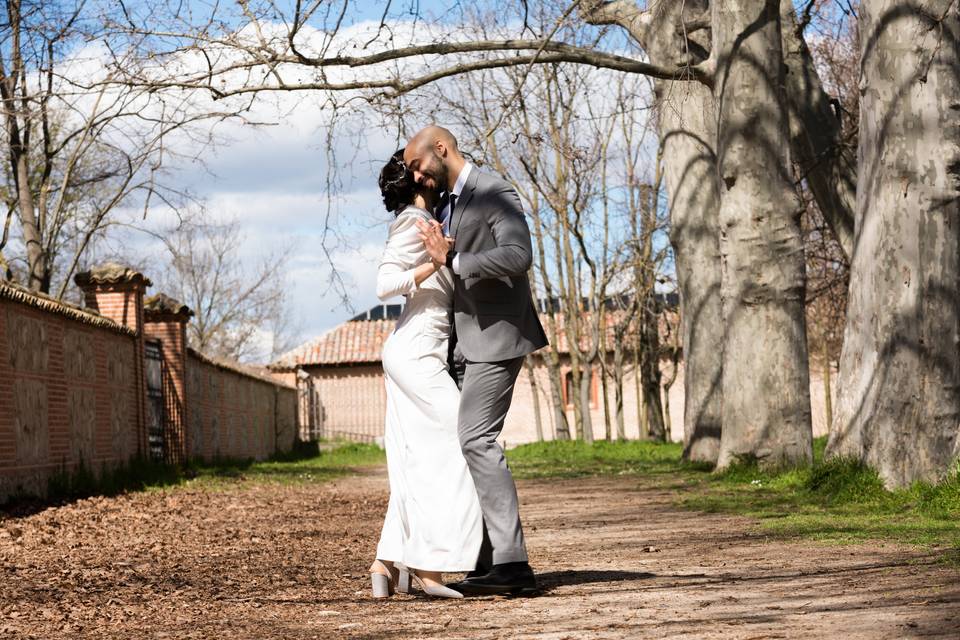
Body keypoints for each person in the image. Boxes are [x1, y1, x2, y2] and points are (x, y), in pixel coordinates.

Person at [405, 125, 548, 596]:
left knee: (476, 439)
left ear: (441, 150)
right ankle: (485, 559)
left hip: (497, 337)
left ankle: (513, 564)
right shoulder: (446, 202)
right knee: (465, 448)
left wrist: (456, 260)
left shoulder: (493, 191)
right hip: (463, 343)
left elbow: (518, 254)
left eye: (418, 165)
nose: (416, 175)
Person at [368, 149, 482, 600]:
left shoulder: (430, 221)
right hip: (415, 351)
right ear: (419, 180)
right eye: (421, 167)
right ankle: (427, 568)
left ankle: (385, 562)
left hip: (419, 350)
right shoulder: (413, 223)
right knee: (459, 444)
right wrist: (434, 262)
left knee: (417, 459)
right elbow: (383, 284)